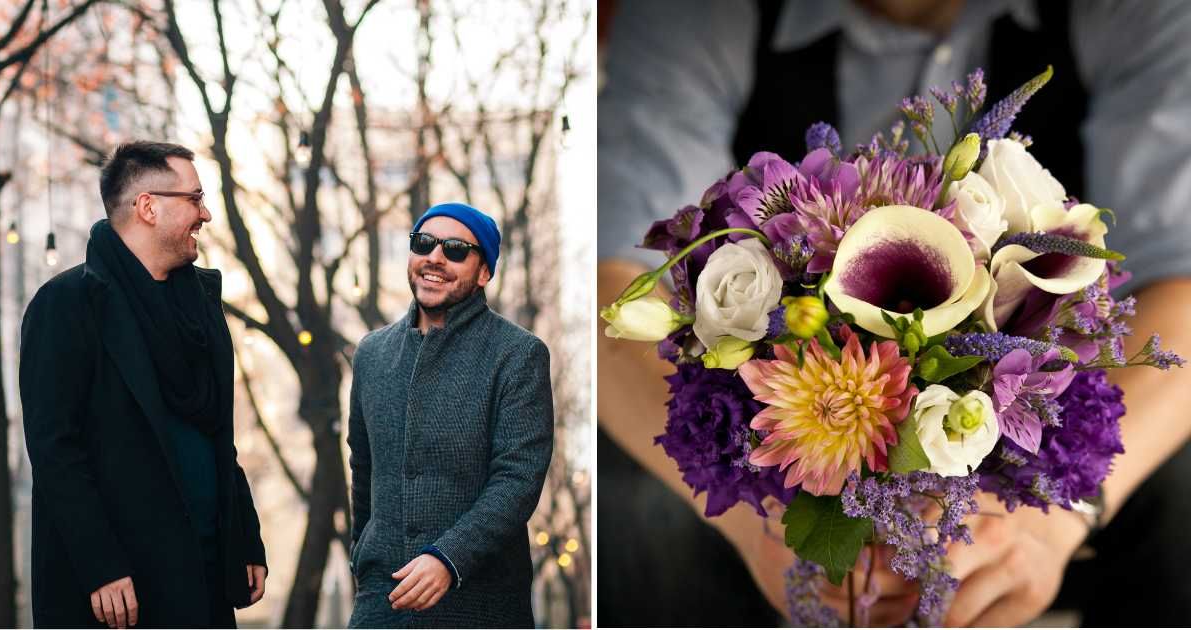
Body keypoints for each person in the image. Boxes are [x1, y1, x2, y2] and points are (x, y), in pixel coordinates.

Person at [598, 0, 1191, 626]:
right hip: (796, 417)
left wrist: (1063, 513)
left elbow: (1181, 276)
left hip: (1025, 407)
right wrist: (754, 516)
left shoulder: (1130, 12)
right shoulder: (697, 14)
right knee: (641, 510)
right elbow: (613, 275)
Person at [20, 141, 268, 628]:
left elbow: (218, 435)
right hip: (120, 589)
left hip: (203, 575)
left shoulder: (201, 306)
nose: (206, 214)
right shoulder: (65, 305)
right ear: (148, 207)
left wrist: (244, 537)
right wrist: (100, 566)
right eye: (194, 199)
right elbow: (54, 451)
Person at [346, 202, 554, 628]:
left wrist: (448, 558)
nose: (435, 258)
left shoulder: (518, 354)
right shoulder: (371, 353)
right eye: (424, 243)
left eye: (456, 250)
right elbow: (362, 467)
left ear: (484, 272)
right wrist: (362, 555)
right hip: (380, 603)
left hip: (480, 604)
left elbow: (518, 478)